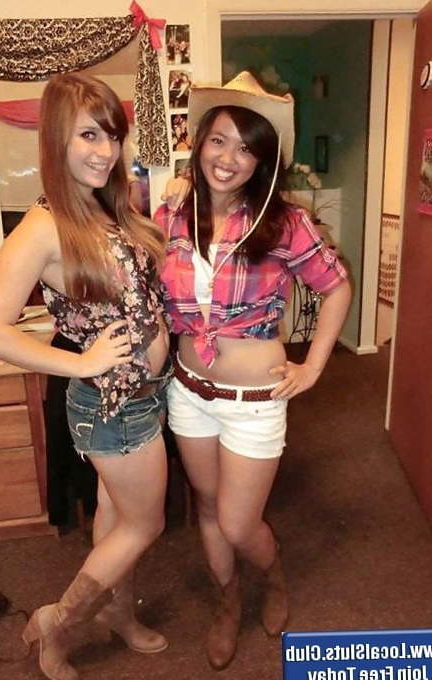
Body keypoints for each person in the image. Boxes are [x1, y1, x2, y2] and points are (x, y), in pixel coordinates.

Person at [0, 72, 171, 680]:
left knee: (115, 522)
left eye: (112, 135)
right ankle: (54, 623)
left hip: (142, 394)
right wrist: (80, 361)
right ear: (57, 137)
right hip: (114, 406)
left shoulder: (102, 205)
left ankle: (117, 615)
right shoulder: (44, 225)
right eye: (89, 135)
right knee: (145, 524)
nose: (106, 150)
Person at [155, 71, 351, 670]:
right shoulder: (171, 214)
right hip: (189, 392)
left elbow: (336, 286)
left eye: (246, 148)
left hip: (255, 401)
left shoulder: (283, 222)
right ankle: (228, 601)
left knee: (239, 524)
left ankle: (274, 578)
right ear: (200, 143)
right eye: (218, 140)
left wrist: (314, 366)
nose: (228, 158)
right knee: (208, 508)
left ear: (262, 160)